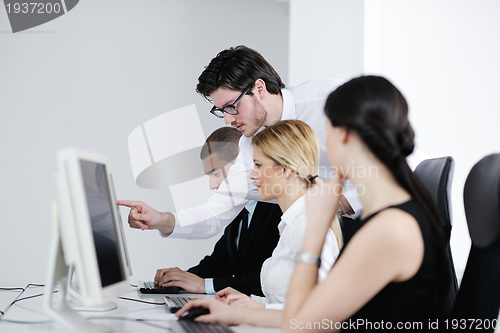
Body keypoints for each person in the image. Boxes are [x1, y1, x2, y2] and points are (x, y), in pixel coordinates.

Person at [118, 45, 360, 240]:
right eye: (220, 110)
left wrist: (338, 204)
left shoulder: (328, 100)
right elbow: (218, 211)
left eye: (232, 106)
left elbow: (395, 160)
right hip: (320, 237)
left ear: (260, 88)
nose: (227, 119)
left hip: (377, 223)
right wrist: (161, 219)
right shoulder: (250, 145)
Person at [279, 76, 453, 331]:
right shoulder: (386, 217)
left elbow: (299, 326)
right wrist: (244, 314)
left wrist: (315, 226)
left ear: (344, 135)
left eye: (326, 130)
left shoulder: (389, 229)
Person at [176, 120, 342, 326]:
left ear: (285, 169)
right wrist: (250, 302)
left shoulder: (307, 226)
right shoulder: (291, 224)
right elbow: (285, 302)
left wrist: (252, 309)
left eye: (258, 165)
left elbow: (319, 316)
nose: (251, 175)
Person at [120, 127, 282, 296]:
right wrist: (182, 278)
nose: (212, 185)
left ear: (240, 165)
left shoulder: (278, 209)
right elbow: (219, 262)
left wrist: (204, 285)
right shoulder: (239, 211)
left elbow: (272, 282)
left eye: (216, 174)